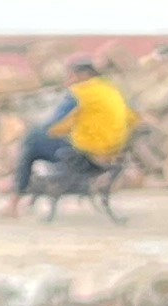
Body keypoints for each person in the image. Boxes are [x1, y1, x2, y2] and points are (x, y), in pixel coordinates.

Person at [8, 58, 135, 207]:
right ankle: (27, 199)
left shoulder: (81, 92)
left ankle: (14, 202)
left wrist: (37, 127)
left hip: (87, 158)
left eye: (71, 76)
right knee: (38, 140)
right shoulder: (111, 90)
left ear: (83, 75)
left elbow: (53, 123)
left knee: (32, 140)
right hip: (111, 156)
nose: (69, 80)